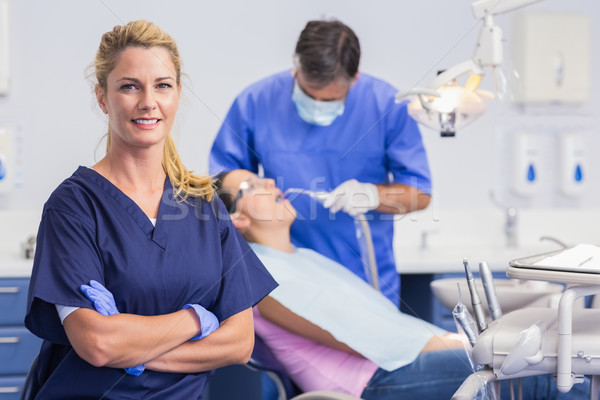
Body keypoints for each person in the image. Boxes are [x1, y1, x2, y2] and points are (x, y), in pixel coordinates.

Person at [24, 20, 277, 399]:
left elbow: (239, 343)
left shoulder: (204, 204)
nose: (148, 102)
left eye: (162, 85)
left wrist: (133, 344)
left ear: (177, 94)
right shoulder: (73, 207)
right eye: (129, 86)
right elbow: (97, 344)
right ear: (102, 97)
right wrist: (196, 319)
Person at [215, 169, 592, 400]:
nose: (267, 181)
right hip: (377, 380)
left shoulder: (303, 258)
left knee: (561, 361)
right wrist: (467, 344)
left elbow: (383, 324)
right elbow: (360, 336)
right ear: (236, 219)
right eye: (250, 185)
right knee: (547, 375)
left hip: (404, 361)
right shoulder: (259, 278)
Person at [209, 19, 432, 306]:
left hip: (366, 278)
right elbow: (223, 192)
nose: (316, 104)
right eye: (308, 93)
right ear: (296, 65)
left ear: (356, 78)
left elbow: (420, 193)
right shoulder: (255, 102)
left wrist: (374, 195)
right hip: (286, 281)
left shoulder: (386, 105)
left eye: (330, 99)